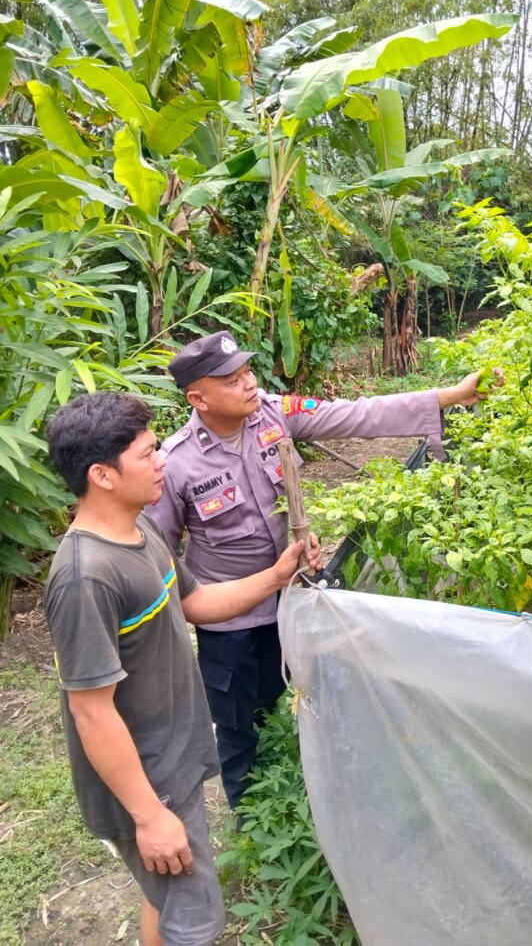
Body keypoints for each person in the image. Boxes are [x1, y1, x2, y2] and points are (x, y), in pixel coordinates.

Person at [149, 329, 493, 810]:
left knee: (293, 701)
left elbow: (355, 413)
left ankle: (299, 803)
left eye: (248, 371)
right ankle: (251, 821)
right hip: (229, 622)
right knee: (239, 724)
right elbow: (156, 556)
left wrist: (448, 395)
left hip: (293, 599)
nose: (249, 383)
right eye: (232, 379)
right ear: (198, 398)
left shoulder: (274, 414)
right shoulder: (175, 464)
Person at [43, 391, 321, 946]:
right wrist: (149, 816)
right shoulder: (85, 578)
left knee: (161, 898)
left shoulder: (139, 529)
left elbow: (195, 603)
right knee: (192, 922)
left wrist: (276, 575)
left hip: (174, 757)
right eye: (147, 454)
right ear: (102, 474)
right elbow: (91, 712)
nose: (163, 461)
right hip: (146, 782)